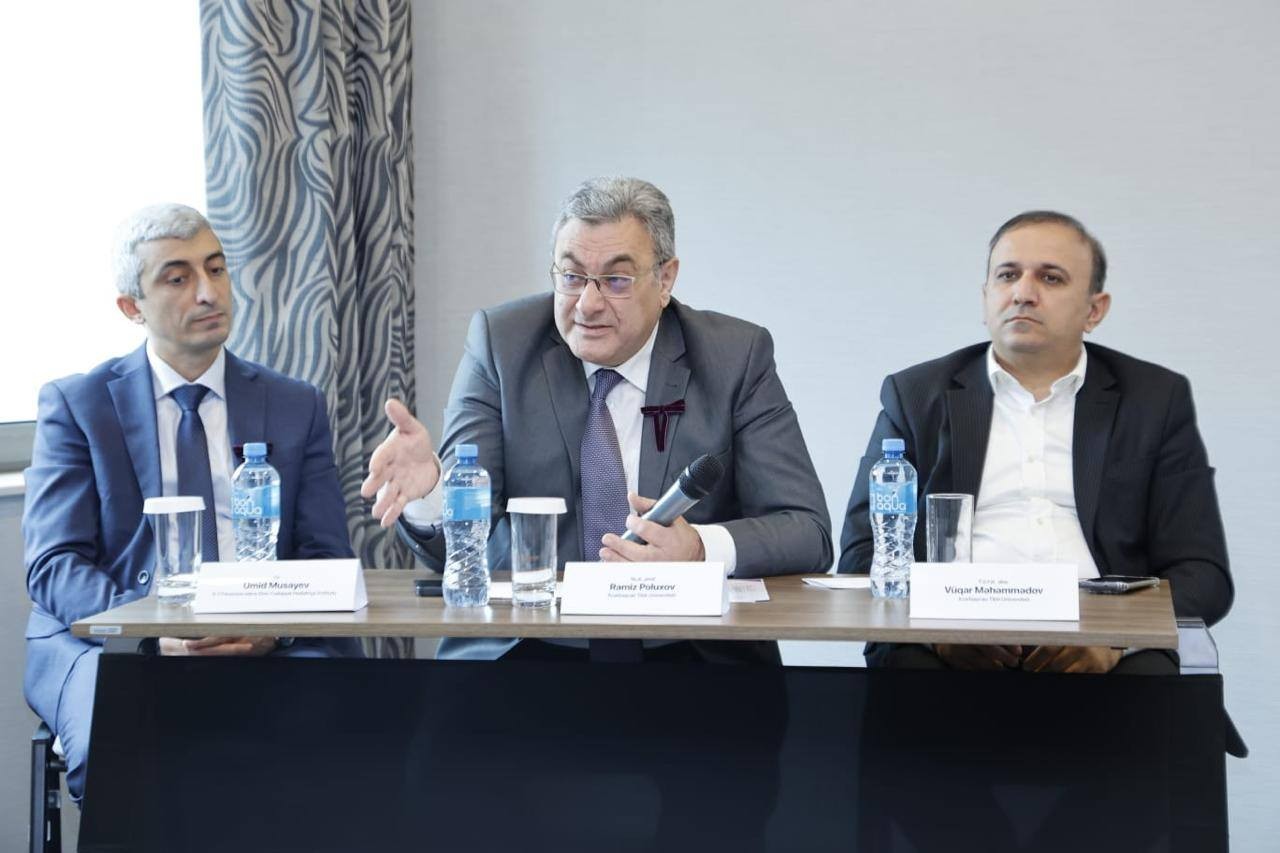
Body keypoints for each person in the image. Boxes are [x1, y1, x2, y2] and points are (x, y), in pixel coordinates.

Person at [361, 175, 832, 662]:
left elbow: (806, 530)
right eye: (571, 277)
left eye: (616, 280)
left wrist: (698, 549)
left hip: (689, 649)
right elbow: (458, 555)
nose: (587, 304)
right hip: (527, 648)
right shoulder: (502, 345)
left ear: (665, 280)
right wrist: (433, 495)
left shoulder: (734, 356)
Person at [23, 203, 360, 802]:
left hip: (271, 639)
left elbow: (324, 555)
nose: (208, 292)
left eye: (216, 269)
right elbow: (55, 565)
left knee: (357, 740)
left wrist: (269, 632)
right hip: (115, 642)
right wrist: (154, 630)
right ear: (132, 307)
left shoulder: (294, 404)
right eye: (177, 278)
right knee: (123, 748)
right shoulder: (78, 405)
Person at [838, 210, 1233, 673]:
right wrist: (939, 635)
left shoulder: (1154, 399)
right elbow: (863, 555)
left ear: (1094, 310)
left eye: (1050, 277)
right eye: (1007, 275)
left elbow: (1202, 573)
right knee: (909, 670)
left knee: (1151, 679)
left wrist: (1114, 639)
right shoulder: (916, 395)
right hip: (947, 641)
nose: (1023, 293)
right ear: (986, 297)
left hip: (1107, 648)